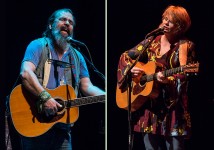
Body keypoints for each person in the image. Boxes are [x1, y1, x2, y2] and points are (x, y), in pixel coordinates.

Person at [18, 8, 105, 149]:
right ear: (51, 25)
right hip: (35, 120)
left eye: (70, 22)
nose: (67, 23)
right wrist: (45, 97)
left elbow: (87, 86)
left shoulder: (77, 56)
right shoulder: (38, 45)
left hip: (63, 128)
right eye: (62, 19)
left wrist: (106, 96)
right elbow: (26, 73)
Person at [116, 5, 198, 150]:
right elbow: (126, 56)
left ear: (179, 26)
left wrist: (169, 80)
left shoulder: (186, 46)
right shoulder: (152, 41)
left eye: (170, 21)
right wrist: (132, 70)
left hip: (173, 108)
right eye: (164, 19)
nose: (165, 23)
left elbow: (185, 75)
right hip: (150, 106)